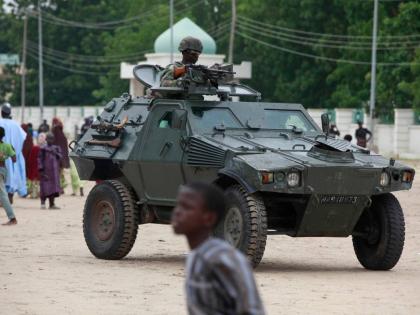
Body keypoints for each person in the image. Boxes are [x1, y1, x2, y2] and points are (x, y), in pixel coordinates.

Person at [171, 182, 265, 315]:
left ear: (208, 218)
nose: (177, 212)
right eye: (179, 205)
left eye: (187, 207)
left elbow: (251, 310)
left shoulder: (225, 259)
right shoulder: (194, 258)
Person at [0, 104, 27, 203]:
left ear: (1, 113)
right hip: (13, 156)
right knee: (12, 177)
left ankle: (3, 200)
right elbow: (22, 138)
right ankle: (10, 198)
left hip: (1, 156)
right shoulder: (15, 125)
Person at [38, 133, 62, 209]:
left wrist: (55, 152)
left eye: (51, 139)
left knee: (53, 187)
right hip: (45, 171)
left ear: (53, 139)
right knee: (44, 187)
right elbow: (39, 159)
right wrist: (41, 169)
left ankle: (52, 204)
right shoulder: (43, 148)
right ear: (46, 139)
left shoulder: (56, 148)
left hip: (54, 172)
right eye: (48, 139)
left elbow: (60, 157)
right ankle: (43, 203)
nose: (50, 140)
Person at [0, 127, 18, 225]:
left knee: (3, 195)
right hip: (3, 170)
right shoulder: (7, 146)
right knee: (2, 194)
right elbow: (14, 159)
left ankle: (12, 218)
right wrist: (7, 154)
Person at [52, 117, 70, 193]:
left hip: (56, 158)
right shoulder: (63, 136)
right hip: (62, 158)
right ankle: (61, 189)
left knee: (56, 174)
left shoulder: (54, 133)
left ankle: (58, 189)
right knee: (61, 173)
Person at [27, 133, 45, 198]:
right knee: (39, 182)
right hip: (41, 168)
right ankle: (39, 194)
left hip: (35, 168)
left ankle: (34, 195)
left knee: (35, 182)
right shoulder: (46, 148)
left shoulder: (35, 148)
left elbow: (30, 159)